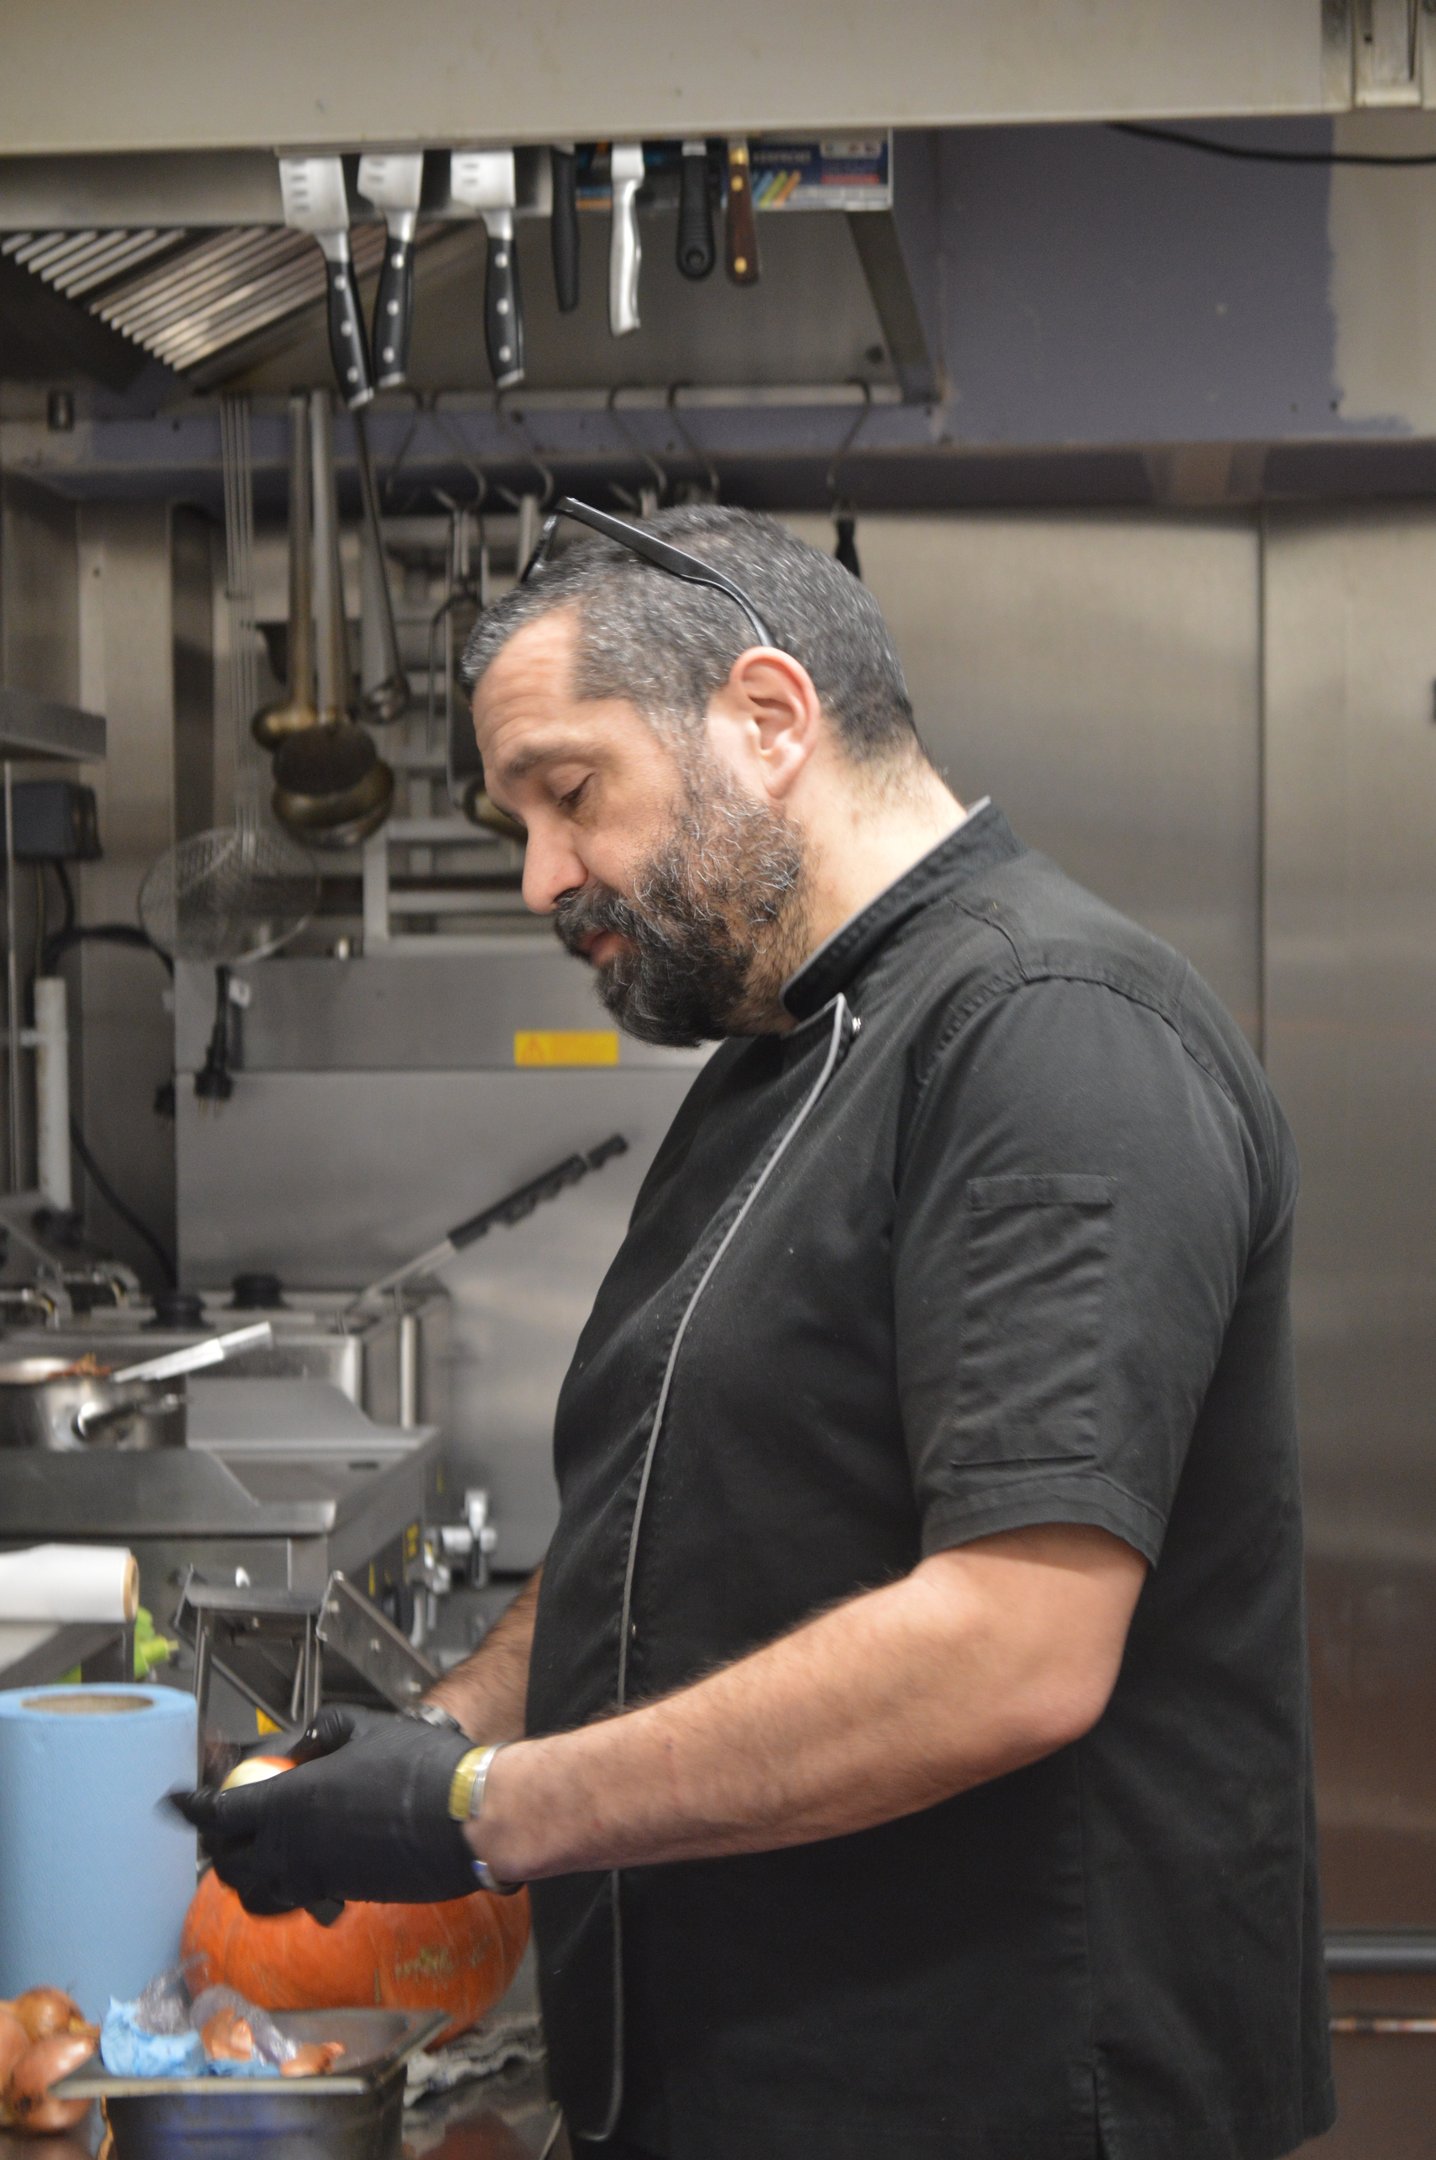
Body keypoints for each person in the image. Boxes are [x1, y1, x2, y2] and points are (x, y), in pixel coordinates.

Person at [182, 504, 1334, 2160]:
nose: (541, 878)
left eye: (570, 794)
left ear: (771, 718)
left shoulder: (1049, 1033)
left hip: (995, 2098)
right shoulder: (774, 1064)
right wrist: (442, 1730)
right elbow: (655, 1540)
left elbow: (1013, 1649)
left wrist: (482, 1815)